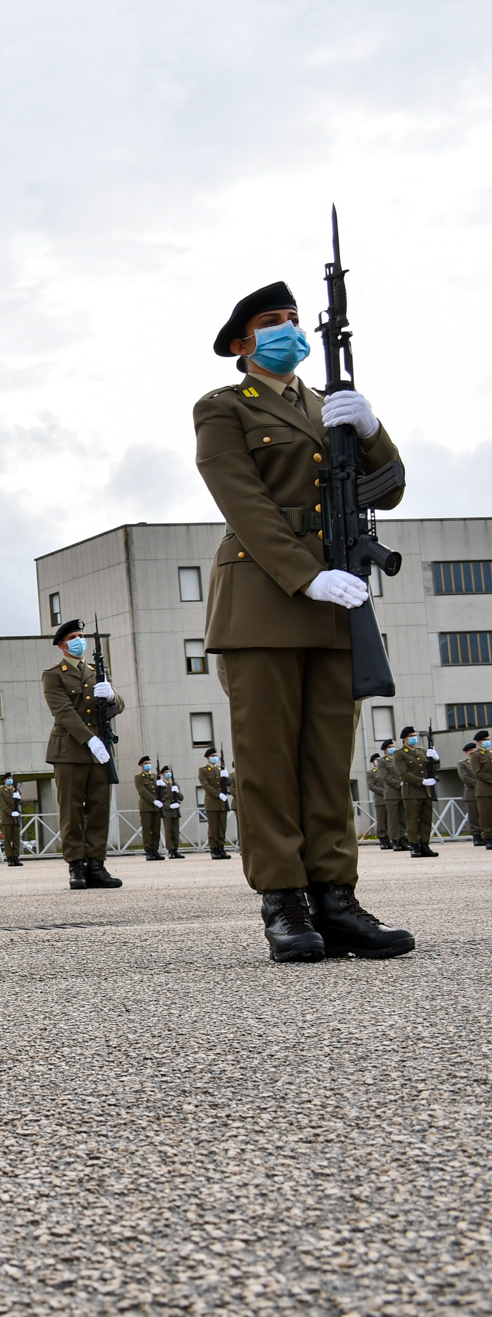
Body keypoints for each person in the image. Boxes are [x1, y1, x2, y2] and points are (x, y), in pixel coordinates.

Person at [194, 280, 413, 960]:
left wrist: (372, 431)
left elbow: (390, 487)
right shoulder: (223, 407)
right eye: (271, 321)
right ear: (242, 343)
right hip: (265, 602)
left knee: (327, 762)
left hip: (335, 604)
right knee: (267, 763)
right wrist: (303, 572)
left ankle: (337, 899)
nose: (287, 330)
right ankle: (284, 902)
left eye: (293, 319)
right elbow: (244, 502)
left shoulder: (329, 407)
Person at [44, 621, 124, 891]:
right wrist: (89, 740)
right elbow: (63, 712)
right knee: (72, 810)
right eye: (73, 637)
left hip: (100, 751)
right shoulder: (54, 675)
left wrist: (112, 696)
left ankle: (96, 865)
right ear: (62, 644)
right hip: (70, 750)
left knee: (100, 809)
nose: (80, 640)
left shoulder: (97, 671)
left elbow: (118, 705)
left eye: (81, 636)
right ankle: (76, 866)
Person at [395, 727, 438, 858]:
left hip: (426, 792)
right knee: (413, 820)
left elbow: (433, 768)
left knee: (426, 819)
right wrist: (422, 781)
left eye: (414, 735)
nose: (414, 738)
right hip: (412, 791)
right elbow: (403, 773)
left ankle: (425, 844)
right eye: (411, 736)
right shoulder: (400, 754)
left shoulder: (422, 751)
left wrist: (435, 759)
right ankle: (414, 845)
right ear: (404, 739)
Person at [199, 749, 233, 859]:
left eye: (216, 755)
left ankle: (221, 848)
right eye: (212, 755)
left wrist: (226, 777)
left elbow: (228, 783)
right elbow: (205, 785)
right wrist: (218, 794)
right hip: (212, 802)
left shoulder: (220, 769)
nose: (215, 757)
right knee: (213, 827)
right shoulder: (203, 770)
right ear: (207, 758)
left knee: (222, 827)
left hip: (222, 803)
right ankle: (214, 849)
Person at [374, 738, 405, 851]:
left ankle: (403, 838)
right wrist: (398, 783)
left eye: (392, 746)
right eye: (389, 747)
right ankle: (395, 840)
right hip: (391, 792)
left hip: (403, 792)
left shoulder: (398, 759)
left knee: (403, 817)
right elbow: (385, 776)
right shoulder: (382, 762)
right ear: (385, 750)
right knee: (392, 819)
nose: (392, 749)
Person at [134, 757, 168, 861]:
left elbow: (161, 792)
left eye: (149, 763)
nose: (148, 765)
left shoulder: (154, 776)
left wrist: (163, 786)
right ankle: (148, 851)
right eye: (146, 763)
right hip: (146, 807)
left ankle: (155, 850)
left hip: (156, 808)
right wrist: (154, 800)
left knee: (156, 829)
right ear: (141, 765)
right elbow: (142, 791)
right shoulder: (139, 777)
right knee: (147, 829)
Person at [157, 763, 187, 858]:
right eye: (166, 772)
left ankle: (175, 849)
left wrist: (177, 792)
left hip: (175, 810)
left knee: (175, 830)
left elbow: (181, 797)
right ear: (162, 774)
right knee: (168, 831)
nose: (168, 773)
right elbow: (160, 798)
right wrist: (169, 806)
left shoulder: (174, 784)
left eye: (169, 772)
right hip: (167, 810)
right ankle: (170, 850)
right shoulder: (161, 784)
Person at [0, 775, 25, 866]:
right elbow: (2, 804)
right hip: (7, 817)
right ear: (4, 780)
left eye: (11, 779)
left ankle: (16, 857)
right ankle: (9, 858)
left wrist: (19, 798)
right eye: (8, 779)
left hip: (16, 818)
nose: (10, 780)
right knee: (7, 839)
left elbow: (22, 803)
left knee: (16, 838)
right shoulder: (1, 791)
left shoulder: (16, 790)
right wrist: (10, 812)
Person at [469, 731, 492, 846]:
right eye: (485, 739)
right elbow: (477, 772)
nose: (488, 741)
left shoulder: (490, 753)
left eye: (488, 739)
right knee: (486, 815)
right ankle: (487, 838)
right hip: (484, 789)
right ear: (479, 742)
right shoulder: (475, 755)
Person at [460, 738, 483, 846]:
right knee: (474, 816)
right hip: (471, 793)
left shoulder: (481, 762)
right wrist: (480, 785)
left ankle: (485, 835)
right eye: (471, 751)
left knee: (485, 815)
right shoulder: (463, 764)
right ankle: (476, 836)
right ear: (467, 752)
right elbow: (465, 778)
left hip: (483, 793)